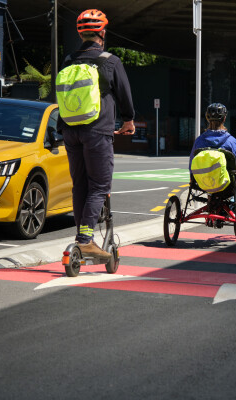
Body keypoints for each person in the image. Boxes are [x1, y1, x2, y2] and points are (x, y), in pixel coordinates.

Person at [57, 9, 135, 258]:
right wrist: (129, 121)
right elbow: (124, 96)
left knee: (79, 184)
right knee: (100, 185)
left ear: (81, 33)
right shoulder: (110, 60)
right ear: (102, 32)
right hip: (98, 129)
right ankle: (85, 239)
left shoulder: (68, 60)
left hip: (69, 129)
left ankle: (81, 237)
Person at [189, 103, 236, 201]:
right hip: (227, 185)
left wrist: (192, 179)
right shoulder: (230, 141)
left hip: (203, 183)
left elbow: (192, 163)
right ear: (224, 119)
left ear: (207, 118)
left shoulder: (199, 141)